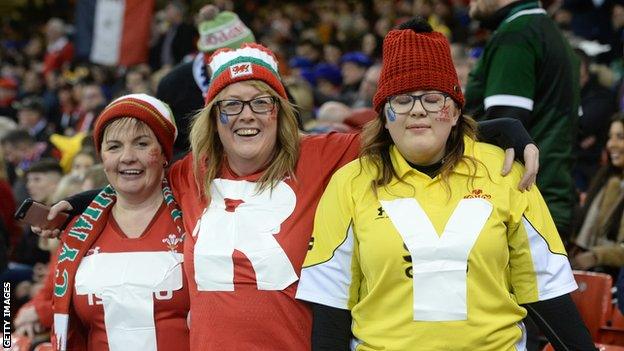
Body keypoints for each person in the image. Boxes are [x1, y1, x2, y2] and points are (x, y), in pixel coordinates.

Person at [42, 43, 539, 350]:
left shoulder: (326, 155)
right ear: (212, 118)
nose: (246, 116)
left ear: (281, 112)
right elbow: (135, 178)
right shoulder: (191, 175)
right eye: (231, 105)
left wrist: (498, 129)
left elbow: (411, 128)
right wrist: (85, 201)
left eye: (262, 102)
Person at [296, 18, 595, 351]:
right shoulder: (351, 182)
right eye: (403, 100)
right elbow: (331, 307)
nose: (418, 111)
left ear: (454, 111)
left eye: (433, 99)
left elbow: (546, 292)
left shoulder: (504, 169)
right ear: (383, 115)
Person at [51, 94, 188, 351]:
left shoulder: (195, 217)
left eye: (141, 144)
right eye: (114, 147)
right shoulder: (77, 233)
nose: (127, 157)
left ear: (164, 155)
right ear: (102, 159)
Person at [464, 0, 580, 243]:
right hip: (548, 199)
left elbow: (502, 130)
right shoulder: (547, 30)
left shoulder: (517, 34)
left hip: (523, 208)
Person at [572, 113, 624, 274]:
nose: (611, 144)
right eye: (610, 137)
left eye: (620, 137)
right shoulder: (609, 181)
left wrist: (595, 256)